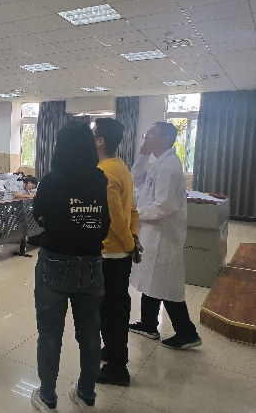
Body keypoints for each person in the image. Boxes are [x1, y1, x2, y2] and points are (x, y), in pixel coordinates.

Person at [31, 121, 110, 413]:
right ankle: (86, 393)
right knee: (89, 332)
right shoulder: (100, 179)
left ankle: (47, 396)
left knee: (50, 332)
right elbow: (105, 220)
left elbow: (39, 213)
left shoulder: (52, 180)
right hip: (92, 261)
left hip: (55, 259)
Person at [129, 122, 202, 350]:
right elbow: (135, 179)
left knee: (165, 283)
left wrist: (136, 214)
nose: (147, 137)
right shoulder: (159, 163)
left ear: (166, 139)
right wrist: (142, 154)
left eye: (152, 134)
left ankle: (187, 333)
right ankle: (149, 324)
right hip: (152, 232)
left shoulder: (169, 166)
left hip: (163, 235)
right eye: (147, 133)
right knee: (151, 279)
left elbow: (165, 205)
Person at [92, 118, 141, 387]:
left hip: (110, 252)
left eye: (93, 135)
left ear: (100, 141)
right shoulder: (121, 166)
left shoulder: (104, 172)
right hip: (120, 250)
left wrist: (130, 244)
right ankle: (112, 351)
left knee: (111, 311)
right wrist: (133, 238)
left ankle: (118, 367)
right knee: (116, 307)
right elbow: (132, 210)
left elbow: (115, 219)